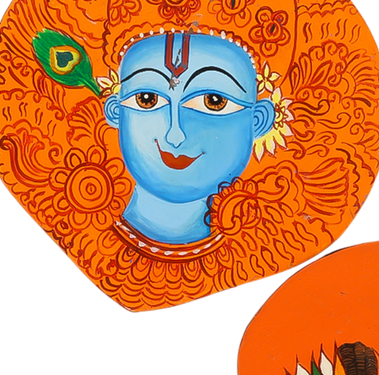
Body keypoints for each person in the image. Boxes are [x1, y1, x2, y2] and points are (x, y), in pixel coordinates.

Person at [102, 29, 275, 244]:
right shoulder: (89, 245)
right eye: (147, 99)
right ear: (116, 113)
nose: (175, 135)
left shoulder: (261, 250)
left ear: (258, 121)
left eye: (213, 102)